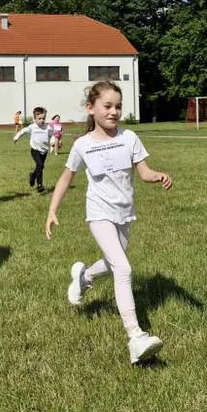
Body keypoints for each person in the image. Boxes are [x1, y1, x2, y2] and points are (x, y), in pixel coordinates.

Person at [46, 81, 172, 365]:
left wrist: (158, 176)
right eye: (107, 106)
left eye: (118, 106)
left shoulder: (129, 138)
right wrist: (52, 210)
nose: (114, 112)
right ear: (91, 109)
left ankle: (84, 277)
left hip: (125, 213)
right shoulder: (82, 145)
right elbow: (67, 177)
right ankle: (135, 336)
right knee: (123, 268)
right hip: (98, 213)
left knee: (113, 261)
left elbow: (144, 172)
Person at [13, 105, 53, 194]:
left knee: (40, 166)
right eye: (39, 118)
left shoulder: (48, 127)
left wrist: (53, 143)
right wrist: (16, 137)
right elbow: (23, 131)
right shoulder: (32, 127)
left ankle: (33, 175)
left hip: (44, 150)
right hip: (35, 150)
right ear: (35, 119)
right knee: (40, 165)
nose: (42, 120)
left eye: (43, 118)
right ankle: (39, 185)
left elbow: (52, 135)